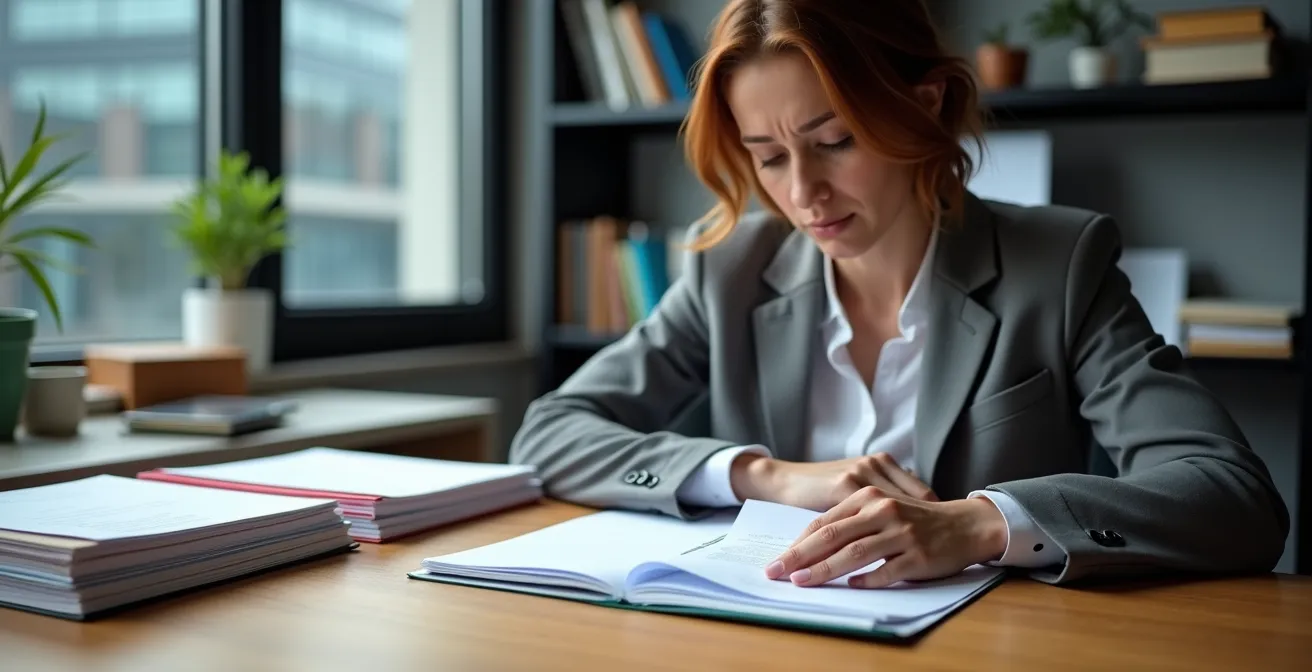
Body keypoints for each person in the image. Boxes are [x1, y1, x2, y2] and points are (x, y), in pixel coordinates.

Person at [510, 0, 1288, 588]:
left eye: (835, 141)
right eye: (768, 157)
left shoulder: (1059, 263)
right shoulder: (733, 269)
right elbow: (548, 435)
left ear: (927, 105)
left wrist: (981, 524)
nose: (804, 192)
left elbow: (1232, 497)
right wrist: (767, 475)